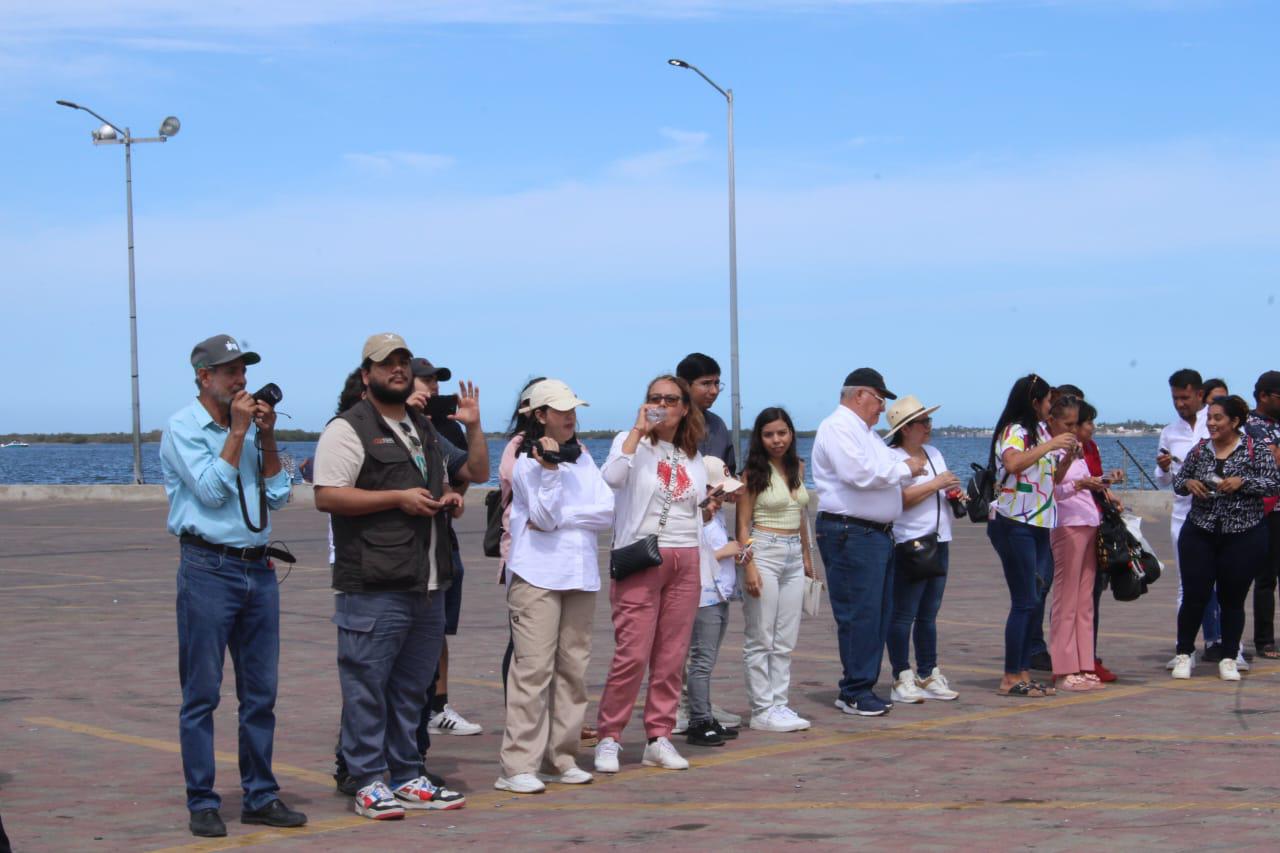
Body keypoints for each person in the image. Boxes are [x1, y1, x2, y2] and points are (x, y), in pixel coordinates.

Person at [159, 334, 307, 838]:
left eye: (243, 370)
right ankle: (202, 800)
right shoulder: (182, 428)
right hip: (208, 568)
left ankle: (260, 796)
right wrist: (238, 433)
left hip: (258, 570)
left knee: (260, 694)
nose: (240, 380)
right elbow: (209, 489)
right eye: (230, 372)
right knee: (201, 693)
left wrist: (264, 436)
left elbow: (280, 495)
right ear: (204, 377)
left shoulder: (248, 429)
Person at [313, 333, 466, 820]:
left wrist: (447, 498)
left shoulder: (421, 426)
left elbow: (452, 475)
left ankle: (405, 773)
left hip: (427, 580)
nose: (397, 369)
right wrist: (395, 498)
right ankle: (366, 779)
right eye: (386, 364)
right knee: (366, 686)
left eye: (403, 361)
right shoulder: (347, 428)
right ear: (367, 375)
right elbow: (328, 495)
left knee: (410, 689)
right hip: (374, 583)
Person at [495, 380, 614, 794]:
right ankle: (517, 766)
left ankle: (559, 758)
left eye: (572, 409)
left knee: (573, 670)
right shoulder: (527, 459)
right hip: (537, 575)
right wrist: (549, 476)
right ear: (539, 414)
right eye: (559, 409)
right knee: (533, 669)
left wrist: (569, 514)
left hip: (580, 572)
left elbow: (607, 513)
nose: (569, 416)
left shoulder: (582, 457)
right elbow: (544, 518)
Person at [594, 375, 713, 774]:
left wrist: (711, 504)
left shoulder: (693, 454)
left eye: (670, 399)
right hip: (642, 555)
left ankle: (658, 736)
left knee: (672, 655)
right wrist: (636, 431)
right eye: (653, 398)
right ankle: (609, 736)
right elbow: (611, 479)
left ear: (684, 408)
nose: (661, 404)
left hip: (687, 556)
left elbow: (690, 505)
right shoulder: (632, 444)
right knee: (632, 653)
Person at [812, 368, 926, 717]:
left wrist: (905, 464)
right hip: (851, 532)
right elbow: (859, 474)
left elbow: (886, 463)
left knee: (878, 613)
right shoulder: (837, 428)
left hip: (873, 533)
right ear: (860, 394)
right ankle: (854, 689)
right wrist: (908, 468)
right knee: (860, 614)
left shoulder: (867, 434)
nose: (881, 409)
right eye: (879, 400)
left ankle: (863, 684)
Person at [406, 357, 490, 741]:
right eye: (424, 381)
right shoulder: (379, 425)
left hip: (441, 539)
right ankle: (409, 714)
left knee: (437, 626)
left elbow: (469, 472)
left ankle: (436, 707)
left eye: (436, 382)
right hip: (399, 551)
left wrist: (453, 496)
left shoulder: (442, 429)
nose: (433, 388)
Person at [1172, 395, 1280, 680]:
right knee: (1195, 595)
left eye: (1218, 418)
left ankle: (1230, 656)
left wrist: (1244, 482)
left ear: (1234, 421)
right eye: (1209, 418)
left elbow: (1273, 483)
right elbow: (1178, 481)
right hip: (1200, 530)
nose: (1211, 423)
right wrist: (1189, 483)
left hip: (1243, 534)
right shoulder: (1200, 451)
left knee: (1233, 599)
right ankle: (1184, 653)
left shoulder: (1255, 449)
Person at [986, 374, 1076, 698]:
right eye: (1048, 400)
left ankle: (1023, 671)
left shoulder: (1038, 432)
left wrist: (1066, 458)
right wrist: (1051, 444)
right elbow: (1012, 463)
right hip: (1015, 521)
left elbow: (1051, 478)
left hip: (1039, 522)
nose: (1052, 406)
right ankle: (1010, 675)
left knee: (1033, 600)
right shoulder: (1015, 431)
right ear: (1034, 401)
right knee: (1024, 601)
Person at [736, 407, 815, 731]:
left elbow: (800, 517)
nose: (776, 439)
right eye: (769, 434)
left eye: (782, 432)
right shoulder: (753, 474)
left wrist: (809, 562)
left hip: (794, 556)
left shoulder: (797, 467)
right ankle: (761, 709)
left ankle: (779, 704)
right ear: (760, 438)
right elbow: (742, 526)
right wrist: (749, 567)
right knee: (760, 637)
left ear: (791, 433)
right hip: (764, 550)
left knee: (785, 638)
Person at [882, 396, 961, 704]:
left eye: (929, 422)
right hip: (910, 541)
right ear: (906, 429)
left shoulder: (934, 453)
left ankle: (928, 672)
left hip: (940, 538)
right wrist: (935, 484)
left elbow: (939, 488)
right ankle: (901, 675)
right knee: (904, 612)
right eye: (923, 423)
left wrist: (953, 493)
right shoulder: (893, 459)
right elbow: (898, 500)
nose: (929, 427)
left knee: (929, 612)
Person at [1155, 369, 1224, 669]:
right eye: (1175, 398)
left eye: (1184, 397)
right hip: (1184, 516)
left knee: (1224, 582)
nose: (1180, 403)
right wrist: (1165, 468)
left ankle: (1221, 643)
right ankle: (1185, 649)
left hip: (1220, 515)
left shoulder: (1217, 425)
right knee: (1188, 583)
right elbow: (1162, 481)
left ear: (1199, 395)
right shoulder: (1169, 432)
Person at [1047, 398, 1109, 691]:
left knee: (1085, 600)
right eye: (1067, 425)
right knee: (1066, 598)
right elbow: (1052, 490)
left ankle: (1084, 662)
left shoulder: (1078, 451)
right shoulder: (1052, 451)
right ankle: (1063, 666)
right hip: (1067, 525)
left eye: (1075, 424)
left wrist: (1097, 484)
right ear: (1053, 423)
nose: (1072, 430)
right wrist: (1079, 483)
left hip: (1088, 522)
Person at [684, 457, 745, 748]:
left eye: (722, 496)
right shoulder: (690, 519)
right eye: (716, 495)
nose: (719, 502)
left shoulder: (715, 518)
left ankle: (705, 715)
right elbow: (693, 557)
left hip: (720, 595)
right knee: (701, 662)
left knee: (707, 661)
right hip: (703, 598)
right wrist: (724, 552)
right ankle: (698, 719)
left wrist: (737, 551)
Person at [1246, 371, 1280, 660]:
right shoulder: (1250, 425)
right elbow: (1271, 460)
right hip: (1267, 511)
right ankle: (1265, 640)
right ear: (1264, 396)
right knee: (1266, 578)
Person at [677, 352, 736, 473]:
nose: (714, 391)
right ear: (684, 385)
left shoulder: (718, 425)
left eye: (716, 383)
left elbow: (729, 471)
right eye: (706, 383)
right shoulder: (668, 425)